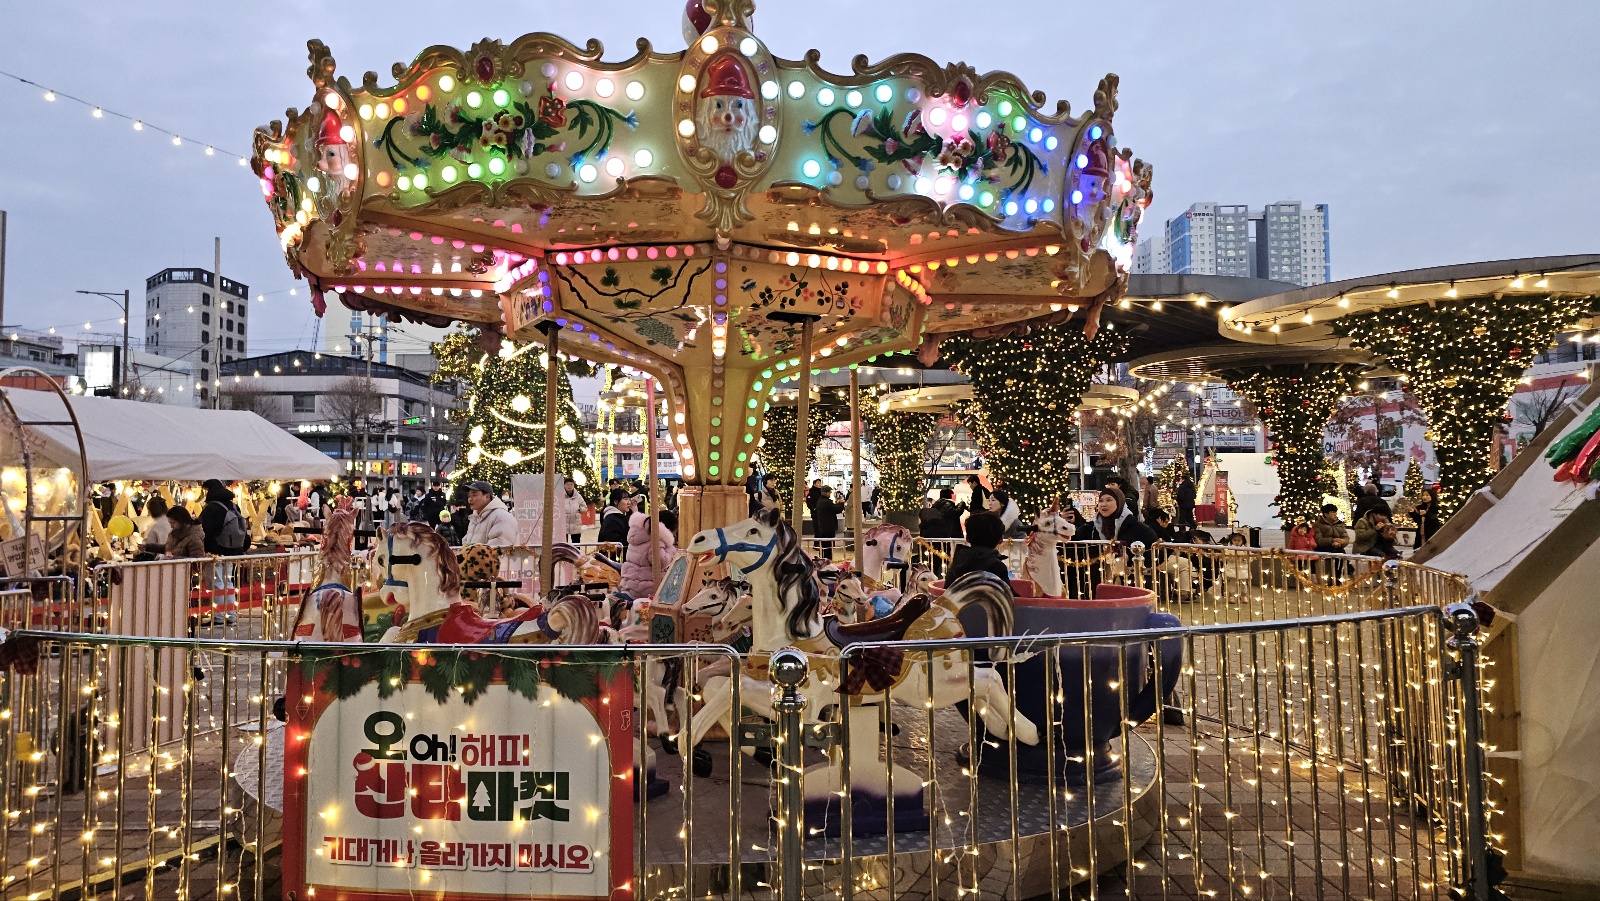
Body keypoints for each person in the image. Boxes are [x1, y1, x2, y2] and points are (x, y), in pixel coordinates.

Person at [620, 508, 677, 598]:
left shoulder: (640, 533)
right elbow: (660, 562)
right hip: (644, 590)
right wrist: (671, 549)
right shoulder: (655, 540)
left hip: (629, 585)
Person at [945, 512, 1011, 585]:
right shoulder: (996, 567)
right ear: (1000, 540)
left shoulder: (958, 562)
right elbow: (1008, 594)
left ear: (967, 538)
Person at [1088, 485, 1157, 546]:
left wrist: (1131, 557)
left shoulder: (1138, 528)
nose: (1103, 504)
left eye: (1109, 500)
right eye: (1101, 501)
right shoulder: (1090, 529)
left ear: (1119, 503)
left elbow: (1157, 551)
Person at [462, 481, 518, 547]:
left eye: (474, 495)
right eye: (469, 496)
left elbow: (498, 549)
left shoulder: (501, 516)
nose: (470, 499)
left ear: (487, 496)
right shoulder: (475, 518)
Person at [811, 487, 842, 559]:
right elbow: (836, 509)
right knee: (828, 547)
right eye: (829, 492)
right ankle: (828, 561)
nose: (830, 494)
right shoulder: (827, 502)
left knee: (824, 547)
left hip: (822, 527)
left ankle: (824, 559)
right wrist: (841, 504)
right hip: (829, 527)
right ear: (826, 493)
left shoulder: (819, 502)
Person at [138, 496, 173, 561]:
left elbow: (146, 550)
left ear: (150, 511)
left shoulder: (153, 526)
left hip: (159, 562)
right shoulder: (172, 522)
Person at [560, 478, 587, 544]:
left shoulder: (578, 496)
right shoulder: (560, 496)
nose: (569, 486)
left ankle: (576, 554)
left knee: (576, 545)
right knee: (563, 545)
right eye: (567, 484)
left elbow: (585, 508)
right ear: (564, 485)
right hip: (564, 524)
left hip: (575, 524)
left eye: (571, 484)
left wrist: (579, 509)